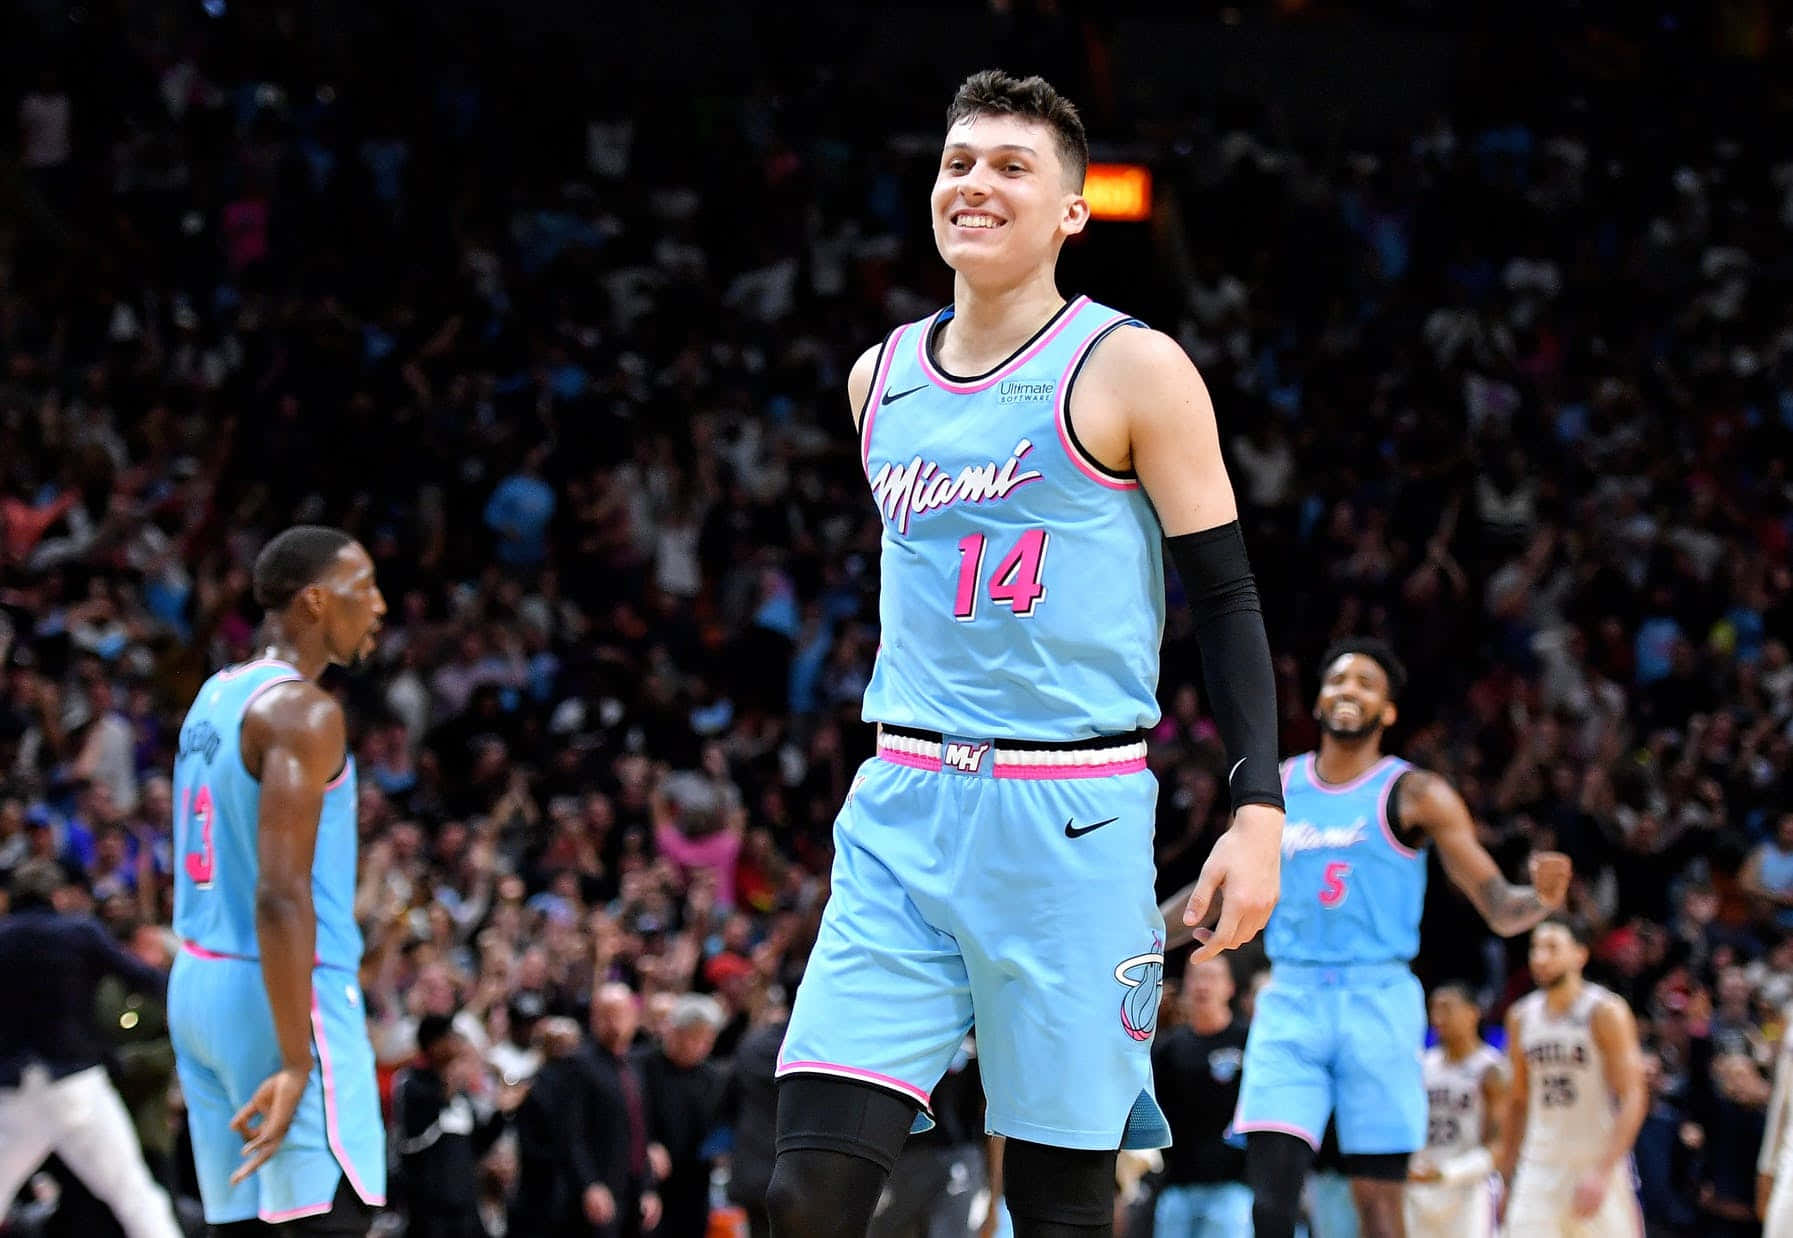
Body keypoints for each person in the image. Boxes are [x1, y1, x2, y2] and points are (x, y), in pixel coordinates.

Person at [769, 68, 1287, 1238]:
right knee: (804, 1188)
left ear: (1069, 210)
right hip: (900, 801)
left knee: (1058, 1204)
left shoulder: (1131, 368)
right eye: (958, 162)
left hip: (1072, 813)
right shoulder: (876, 377)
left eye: (1011, 166)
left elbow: (1224, 590)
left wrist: (1257, 804)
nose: (976, 184)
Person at [1170, 638, 1570, 1238]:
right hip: (1293, 996)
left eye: (1365, 683)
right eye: (1338, 680)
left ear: (1388, 712)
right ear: (1320, 697)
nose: (1348, 691)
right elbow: (1219, 884)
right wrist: (1142, 932)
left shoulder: (1417, 793)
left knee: (1378, 1204)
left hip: (1378, 997)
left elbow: (1498, 906)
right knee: (1270, 1198)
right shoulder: (1277, 788)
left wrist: (1539, 898)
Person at [166, 525, 389, 1233]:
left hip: (200, 983)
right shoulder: (303, 711)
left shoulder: (215, 695)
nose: (380, 606)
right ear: (317, 602)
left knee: (238, 1224)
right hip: (282, 992)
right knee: (327, 1221)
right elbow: (279, 893)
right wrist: (296, 1059)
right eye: (366, 589)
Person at [0, 860, 183, 1238]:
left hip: (14, 1088)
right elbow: (142, 978)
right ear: (57, 896)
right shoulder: (78, 932)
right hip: (76, 1083)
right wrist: (188, 994)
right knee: (135, 1194)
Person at [1497, 917, 1648, 1237]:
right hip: (1538, 1164)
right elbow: (1518, 1101)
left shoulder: (1605, 1011)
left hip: (1593, 1162)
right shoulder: (1520, 1017)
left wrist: (1603, 1171)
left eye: (1552, 948)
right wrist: (1505, 1178)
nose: (1540, 957)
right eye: (1535, 948)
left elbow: (1634, 1096)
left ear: (1580, 954)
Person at [393, 1013, 524, 1238]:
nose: (456, 1044)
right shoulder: (412, 1083)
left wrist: (502, 1112)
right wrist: (448, 1086)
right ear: (434, 1044)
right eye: (450, 1037)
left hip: (465, 1211)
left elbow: (478, 1146)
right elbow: (410, 1138)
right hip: (428, 1213)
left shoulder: (461, 1097)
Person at [1151, 959, 1252, 1237]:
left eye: (1211, 977)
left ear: (1230, 987)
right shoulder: (1168, 1048)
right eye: (1195, 977)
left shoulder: (1249, 1041)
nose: (1202, 985)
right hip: (1177, 1185)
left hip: (1234, 1186)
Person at [1403, 984, 1506, 1238]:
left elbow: (1499, 1144)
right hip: (1420, 1186)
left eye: (1447, 1009)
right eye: (1433, 1010)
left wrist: (1450, 1172)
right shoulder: (1421, 1066)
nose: (1438, 1018)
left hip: (1468, 1189)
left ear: (1472, 1013)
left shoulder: (1491, 1069)